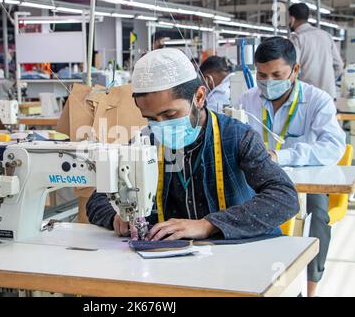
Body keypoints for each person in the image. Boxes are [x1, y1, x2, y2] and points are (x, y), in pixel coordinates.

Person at [87, 47, 299, 243]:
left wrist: (209, 224)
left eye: (170, 114)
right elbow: (98, 199)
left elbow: (284, 196)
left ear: (199, 97)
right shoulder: (146, 142)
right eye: (151, 118)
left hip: (234, 252)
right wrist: (116, 216)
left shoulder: (237, 137)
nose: (161, 125)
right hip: (173, 258)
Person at [238, 37, 346, 297]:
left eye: (277, 75)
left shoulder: (317, 100)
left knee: (317, 217)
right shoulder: (247, 100)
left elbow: (333, 146)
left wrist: (281, 156)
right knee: (233, 210)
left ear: (295, 71)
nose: (268, 82)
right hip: (258, 181)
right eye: (262, 75)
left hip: (306, 181)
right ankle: (254, 282)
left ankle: (310, 290)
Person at [289, 2, 344, 99]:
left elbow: (292, 69)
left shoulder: (296, 38)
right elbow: (339, 66)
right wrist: (328, 80)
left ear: (292, 19)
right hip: (329, 95)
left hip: (309, 96)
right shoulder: (326, 35)